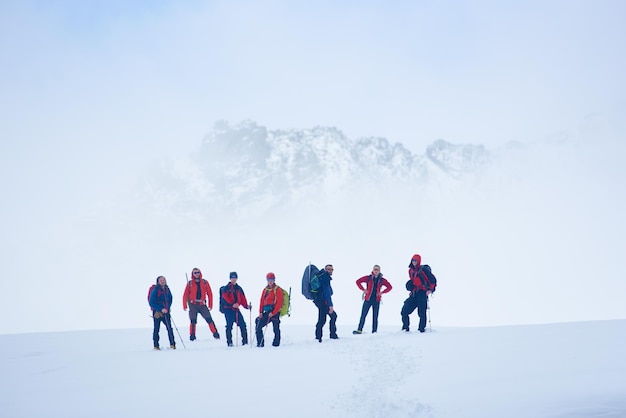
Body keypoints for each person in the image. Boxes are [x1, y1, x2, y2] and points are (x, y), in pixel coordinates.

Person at [401, 254, 437, 333]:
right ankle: (405, 329)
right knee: (404, 311)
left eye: (415, 261)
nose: (414, 262)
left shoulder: (424, 270)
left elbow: (433, 280)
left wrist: (430, 290)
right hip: (415, 293)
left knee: (421, 312)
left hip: (422, 293)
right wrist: (411, 290)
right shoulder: (411, 271)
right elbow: (413, 282)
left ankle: (421, 330)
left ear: (419, 261)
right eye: (413, 260)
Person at [353, 265, 393, 334]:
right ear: (373, 270)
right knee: (363, 315)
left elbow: (389, 287)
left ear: (379, 271)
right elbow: (358, 281)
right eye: (375, 269)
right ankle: (359, 329)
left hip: (376, 300)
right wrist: (363, 290)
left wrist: (382, 292)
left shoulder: (382, 280)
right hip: (368, 299)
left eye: (377, 269)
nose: (376, 271)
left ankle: (374, 331)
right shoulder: (368, 278)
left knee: (375, 317)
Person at [183, 268, 220, 341]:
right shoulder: (190, 283)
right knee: (193, 321)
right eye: (195, 273)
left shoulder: (205, 282)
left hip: (202, 304)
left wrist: (210, 304)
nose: (197, 274)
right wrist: (184, 305)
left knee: (209, 319)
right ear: (192, 274)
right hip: (193, 304)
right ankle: (192, 337)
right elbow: (185, 294)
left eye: (198, 272)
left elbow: (210, 293)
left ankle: (216, 334)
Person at [219, 271, 251, 347]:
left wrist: (246, 306)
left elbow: (243, 298)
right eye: (232, 277)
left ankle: (245, 342)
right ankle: (229, 342)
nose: (234, 279)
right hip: (228, 310)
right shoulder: (226, 288)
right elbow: (225, 298)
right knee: (229, 326)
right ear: (230, 278)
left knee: (242, 325)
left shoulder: (239, 288)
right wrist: (232, 304)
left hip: (236, 309)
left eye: (235, 277)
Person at [255, 272, 283, 347]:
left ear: (274, 280)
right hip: (267, 311)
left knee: (276, 327)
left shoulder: (278, 290)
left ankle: (276, 344)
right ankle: (260, 343)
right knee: (258, 322)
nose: (270, 281)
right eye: (269, 280)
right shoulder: (265, 290)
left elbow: (279, 303)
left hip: (275, 312)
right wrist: (260, 312)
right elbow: (261, 301)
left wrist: (273, 312)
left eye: (272, 279)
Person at [148, 276, 176, 350]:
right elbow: (151, 302)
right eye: (161, 280)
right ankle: (156, 346)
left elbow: (170, 299)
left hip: (166, 311)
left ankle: (172, 344)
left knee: (169, 328)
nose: (163, 281)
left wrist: (167, 308)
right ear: (158, 282)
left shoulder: (167, 289)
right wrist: (161, 309)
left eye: (164, 280)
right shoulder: (155, 290)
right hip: (157, 312)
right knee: (157, 329)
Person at [314, 264, 338, 342]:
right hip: (323, 301)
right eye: (328, 269)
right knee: (328, 317)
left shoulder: (322, 276)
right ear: (325, 269)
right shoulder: (325, 278)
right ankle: (330, 335)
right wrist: (330, 305)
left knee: (324, 318)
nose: (330, 271)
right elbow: (326, 292)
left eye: (331, 269)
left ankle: (319, 336)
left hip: (319, 300)